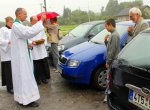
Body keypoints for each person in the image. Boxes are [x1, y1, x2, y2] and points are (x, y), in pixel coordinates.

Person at [11, 8, 46, 107]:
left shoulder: (19, 25)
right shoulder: (16, 25)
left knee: (23, 77)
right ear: (19, 14)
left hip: (22, 55)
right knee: (25, 77)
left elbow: (22, 39)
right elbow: (28, 32)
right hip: (21, 58)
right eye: (25, 14)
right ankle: (27, 100)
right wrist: (41, 21)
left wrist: (28, 44)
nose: (26, 16)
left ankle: (22, 98)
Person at [29, 16, 50, 85]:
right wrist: (32, 42)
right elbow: (27, 39)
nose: (35, 22)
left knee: (42, 64)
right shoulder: (29, 29)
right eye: (34, 20)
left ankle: (43, 78)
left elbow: (44, 36)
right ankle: (37, 79)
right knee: (36, 65)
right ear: (31, 22)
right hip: (35, 50)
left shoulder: (40, 28)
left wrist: (43, 40)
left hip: (41, 48)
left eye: (36, 20)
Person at [103, 19, 120, 103]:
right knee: (109, 78)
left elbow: (112, 51)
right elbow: (109, 47)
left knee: (109, 79)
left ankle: (108, 96)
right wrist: (106, 41)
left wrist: (108, 62)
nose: (105, 28)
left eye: (106, 26)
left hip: (112, 61)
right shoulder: (112, 35)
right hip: (112, 60)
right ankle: (108, 95)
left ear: (110, 25)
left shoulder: (115, 35)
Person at [0, 16, 14, 94]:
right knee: (8, 71)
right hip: (6, 53)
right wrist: (8, 42)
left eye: (12, 22)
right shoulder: (2, 29)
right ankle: (9, 87)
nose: (11, 23)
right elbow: (0, 40)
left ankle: (13, 85)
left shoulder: (12, 30)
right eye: (10, 22)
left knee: (13, 71)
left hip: (12, 53)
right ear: (7, 22)